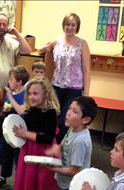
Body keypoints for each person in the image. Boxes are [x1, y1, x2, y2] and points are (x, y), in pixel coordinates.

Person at [14, 77, 60, 190]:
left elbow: (47, 138)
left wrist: (25, 134)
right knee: (34, 187)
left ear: (46, 95)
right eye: (30, 93)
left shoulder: (50, 112)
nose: (32, 97)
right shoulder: (30, 111)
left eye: (36, 93)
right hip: (30, 151)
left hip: (45, 154)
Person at [40, 13, 91, 142]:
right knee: (53, 117)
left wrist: (86, 93)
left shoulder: (82, 44)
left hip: (74, 89)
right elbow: (42, 50)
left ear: (77, 27)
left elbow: (86, 69)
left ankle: (60, 146)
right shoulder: (57, 41)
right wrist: (46, 48)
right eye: (67, 24)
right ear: (64, 26)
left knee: (66, 119)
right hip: (56, 86)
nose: (70, 27)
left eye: (73, 25)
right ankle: (50, 144)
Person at [0, 65, 29, 190]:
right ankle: (3, 177)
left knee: (19, 159)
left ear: (19, 82)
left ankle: (19, 184)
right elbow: (6, 108)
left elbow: (21, 111)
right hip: (8, 132)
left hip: (20, 133)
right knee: (5, 155)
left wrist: (9, 96)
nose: (8, 81)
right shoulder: (11, 93)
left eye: (11, 79)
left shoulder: (26, 95)